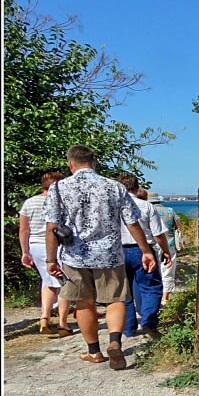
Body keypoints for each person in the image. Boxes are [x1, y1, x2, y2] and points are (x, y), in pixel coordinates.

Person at [44, 144, 155, 370]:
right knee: (115, 300)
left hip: (75, 256)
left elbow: (51, 227)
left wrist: (50, 259)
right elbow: (132, 223)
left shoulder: (58, 189)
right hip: (109, 254)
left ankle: (94, 351)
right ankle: (115, 342)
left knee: (83, 302)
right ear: (93, 163)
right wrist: (146, 250)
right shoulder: (114, 187)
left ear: (71, 164)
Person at [117, 173, 171, 340]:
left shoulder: (113, 207)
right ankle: (148, 321)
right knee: (151, 287)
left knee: (123, 291)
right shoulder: (146, 206)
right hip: (143, 250)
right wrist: (165, 251)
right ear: (136, 187)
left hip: (118, 251)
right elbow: (158, 234)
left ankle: (128, 327)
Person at [19, 171, 72, 337]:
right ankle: (63, 324)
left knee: (48, 281)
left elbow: (23, 230)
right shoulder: (62, 203)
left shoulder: (29, 202)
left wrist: (25, 251)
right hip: (57, 245)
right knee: (65, 282)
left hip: (36, 245)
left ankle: (44, 317)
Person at [148, 192, 182, 306]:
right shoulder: (170, 210)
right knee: (167, 271)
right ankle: (165, 298)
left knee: (152, 271)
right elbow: (178, 226)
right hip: (169, 245)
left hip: (152, 245)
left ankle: (153, 296)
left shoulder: (147, 210)